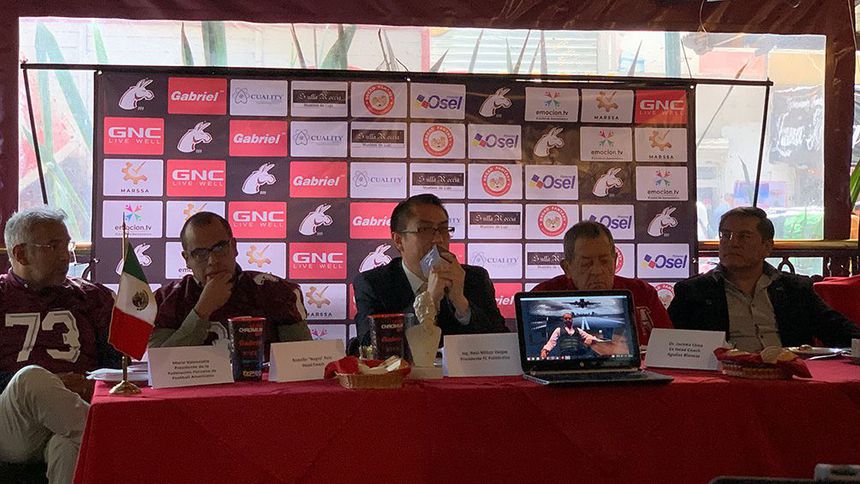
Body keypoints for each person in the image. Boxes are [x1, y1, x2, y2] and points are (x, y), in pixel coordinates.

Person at [1, 206, 119, 484]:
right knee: (31, 378)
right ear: (21, 254)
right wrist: (53, 385)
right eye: (53, 246)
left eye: (67, 245)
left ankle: (98, 434)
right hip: (14, 422)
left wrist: (90, 384)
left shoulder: (92, 297)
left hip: (72, 412)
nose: (65, 256)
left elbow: (116, 366)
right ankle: (116, 439)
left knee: (66, 449)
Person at [668, 207, 860, 351]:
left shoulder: (795, 289)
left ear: (767, 247)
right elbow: (669, 345)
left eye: (744, 236)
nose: (732, 243)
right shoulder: (694, 292)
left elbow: (838, 330)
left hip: (788, 378)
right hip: (725, 380)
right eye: (726, 235)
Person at [351, 194, 507, 354]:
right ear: (398, 240)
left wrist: (460, 302)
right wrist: (428, 302)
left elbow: (502, 345)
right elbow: (370, 347)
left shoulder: (474, 278)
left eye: (443, 229)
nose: (438, 239)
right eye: (425, 230)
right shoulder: (373, 283)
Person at [150, 212, 310, 351]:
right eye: (200, 253)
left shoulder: (274, 291)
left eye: (219, 248)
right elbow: (161, 366)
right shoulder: (166, 300)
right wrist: (202, 310)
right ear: (187, 259)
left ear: (234, 247)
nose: (212, 260)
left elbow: (301, 363)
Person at [531, 220, 672, 345]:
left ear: (615, 261)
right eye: (586, 264)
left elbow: (668, 349)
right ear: (567, 268)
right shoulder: (542, 297)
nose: (597, 271)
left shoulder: (642, 293)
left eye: (604, 261)